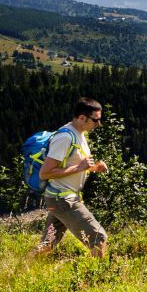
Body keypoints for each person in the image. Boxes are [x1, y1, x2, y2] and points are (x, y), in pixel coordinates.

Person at [36, 97, 110, 257]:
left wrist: (94, 167)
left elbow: (74, 165)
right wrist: (80, 167)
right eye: (95, 120)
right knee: (98, 238)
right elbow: (45, 172)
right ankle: (100, 279)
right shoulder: (65, 138)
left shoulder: (80, 134)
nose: (99, 124)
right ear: (82, 118)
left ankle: (23, 270)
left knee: (47, 244)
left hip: (60, 198)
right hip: (63, 199)